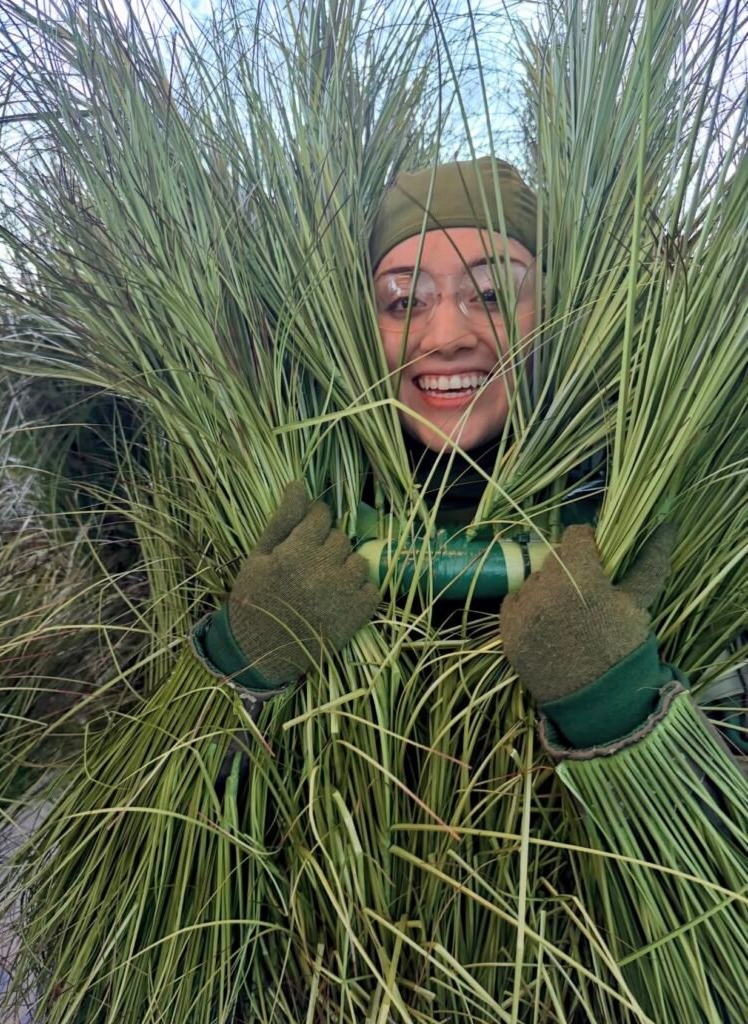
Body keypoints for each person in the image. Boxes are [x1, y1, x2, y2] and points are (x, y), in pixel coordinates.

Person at [187, 156, 748, 1019]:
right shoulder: (273, 531)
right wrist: (242, 660)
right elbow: (172, 903)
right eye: (402, 300)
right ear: (355, 326)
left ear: (556, 312)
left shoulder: (668, 545)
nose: (445, 335)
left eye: (493, 293)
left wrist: (624, 709)